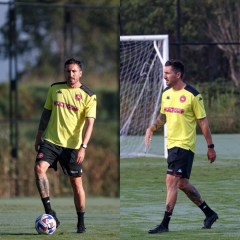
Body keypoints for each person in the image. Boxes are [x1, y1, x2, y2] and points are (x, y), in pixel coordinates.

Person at [145, 59, 218, 234]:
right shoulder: (166, 93)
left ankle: (164, 224)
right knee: (182, 184)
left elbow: (203, 122)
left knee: (170, 181)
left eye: (167, 73)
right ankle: (209, 213)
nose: (164, 76)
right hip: (172, 145)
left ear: (178, 74)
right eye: (164, 73)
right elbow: (163, 117)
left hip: (184, 145)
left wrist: (210, 146)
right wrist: (151, 128)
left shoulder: (193, 95)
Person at [34, 58, 97, 233]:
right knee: (39, 168)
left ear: (80, 73)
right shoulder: (55, 89)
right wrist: (39, 136)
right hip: (51, 141)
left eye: (74, 71)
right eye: (68, 71)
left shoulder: (89, 96)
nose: (71, 74)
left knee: (76, 185)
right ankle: (49, 212)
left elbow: (90, 124)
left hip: (73, 147)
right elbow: (46, 113)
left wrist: (83, 147)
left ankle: (81, 223)